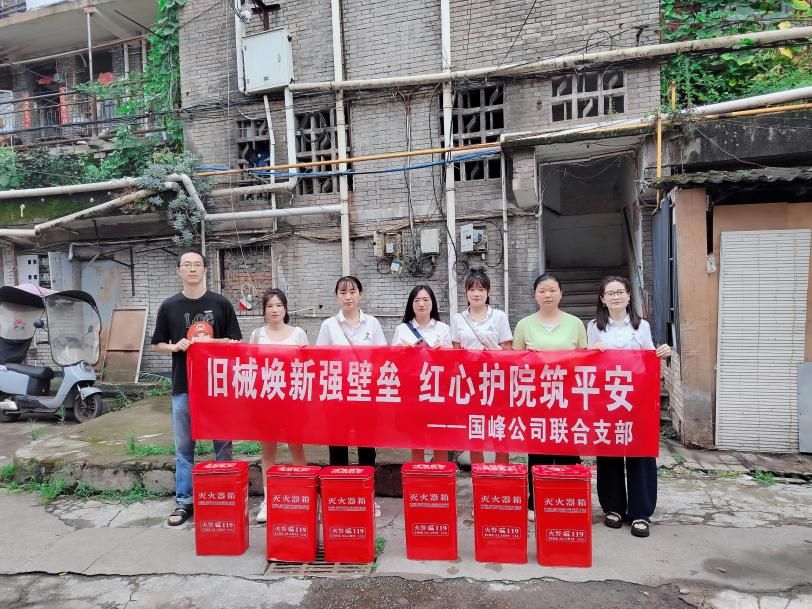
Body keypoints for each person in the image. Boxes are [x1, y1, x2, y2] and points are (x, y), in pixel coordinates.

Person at [151, 249, 242, 527]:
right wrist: (175, 346)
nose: (192, 269)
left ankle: (225, 496)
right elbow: (157, 344)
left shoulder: (220, 303)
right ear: (178, 270)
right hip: (184, 386)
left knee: (223, 445)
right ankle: (184, 501)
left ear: (205, 269)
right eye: (187, 265)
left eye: (197, 264)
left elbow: (235, 341)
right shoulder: (169, 306)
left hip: (217, 388)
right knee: (184, 448)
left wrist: (211, 343)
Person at [587, 275, 671, 539]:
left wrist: (662, 354)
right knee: (609, 450)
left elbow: (650, 359)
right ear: (602, 299)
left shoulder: (641, 326)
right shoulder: (594, 327)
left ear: (628, 295)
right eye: (610, 293)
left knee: (640, 453)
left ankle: (640, 512)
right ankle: (613, 507)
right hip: (607, 399)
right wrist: (592, 352)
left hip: (637, 399)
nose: (616, 296)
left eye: (620, 292)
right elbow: (587, 362)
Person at [512, 273, 587, 521]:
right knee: (539, 450)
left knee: (567, 448)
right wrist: (527, 355)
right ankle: (535, 501)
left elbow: (585, 360)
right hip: (536, 398)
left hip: (568, 398)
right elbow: (513, 363)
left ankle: (568, 498)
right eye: (542, 290)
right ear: (535, 295)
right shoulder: (524, 325)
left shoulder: (575, 323)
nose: (547, 295)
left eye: (552, 290)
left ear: (561, 293)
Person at [316, 275, 387, 516]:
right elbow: (320, 361)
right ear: (336, 296)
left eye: (353, 291)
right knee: (338, 446)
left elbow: (381, 357)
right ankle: (339, 497)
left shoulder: (372, 324)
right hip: (337, 395)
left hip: (365, 394)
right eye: (343, 292)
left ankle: (368, 497)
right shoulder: (329, 326)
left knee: (367, 447)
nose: (348, 297)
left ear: (360, 295)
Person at [248, 288, 309, 524]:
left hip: (292, 400)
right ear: (264, 311)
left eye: (278, 305)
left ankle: (303, 495)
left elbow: (307, 367)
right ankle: (268, 500)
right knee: (268, 452)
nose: (274, 310)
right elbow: (249, 368)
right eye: (269, 306)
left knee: (296, 447)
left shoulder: (298, 333)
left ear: (285, 308)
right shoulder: (257, 335)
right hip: (266, 400)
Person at [451, 268, 512, 466]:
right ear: (465, 293)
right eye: (472, 289)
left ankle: (502, 469)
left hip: (495, 381)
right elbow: (456, 353)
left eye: (481, 289)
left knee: (498, 425)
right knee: (475, 426)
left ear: (488, 292)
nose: (476, 294)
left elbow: (508, 351)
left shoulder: (499, 317)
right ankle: (478, 470)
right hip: (469, 382)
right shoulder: (458, 319)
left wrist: (493, 354)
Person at [392, 285, 452, 463]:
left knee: (439, 436)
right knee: (416, 437)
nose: (421, 304)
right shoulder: (402, 329)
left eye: (426, 300)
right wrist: (404, 352)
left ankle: (441, 472)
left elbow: (452, 361)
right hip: (413, 390)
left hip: (437, 390)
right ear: (411, 304)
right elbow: (393, 361)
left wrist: (443, 351)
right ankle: (417, 473)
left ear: (433, 303)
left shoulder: (443, 328)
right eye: (417, 300)